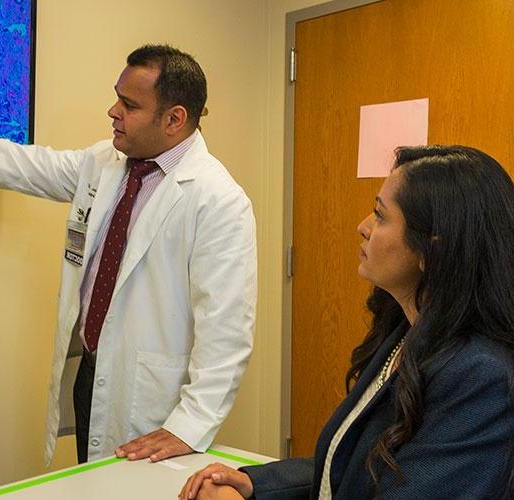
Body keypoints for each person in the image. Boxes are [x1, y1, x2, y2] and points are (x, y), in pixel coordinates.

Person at [0, 44, 257, 465]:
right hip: (91, 374)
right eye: (116, 97)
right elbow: (20, 164)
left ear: (174, 119)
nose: (113, 111)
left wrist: (189, 426)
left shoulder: (218, 201)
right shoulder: (106, 163)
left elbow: (227, 333)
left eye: (129, 104)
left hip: (153, 401)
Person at [180, 145, 514, 499]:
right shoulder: (406, 331)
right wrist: (254, 484)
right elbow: (353, 466)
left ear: (432, 249)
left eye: (380, 216)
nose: (363, 227)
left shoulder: (481, 376)